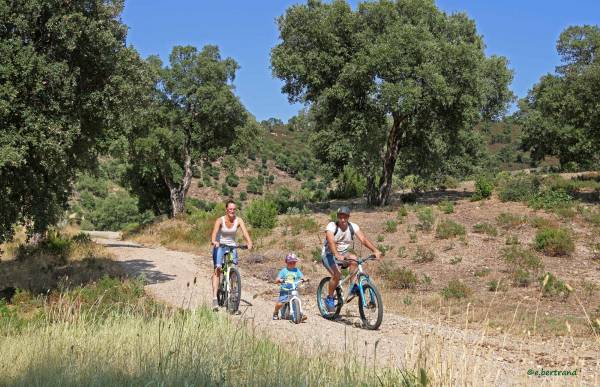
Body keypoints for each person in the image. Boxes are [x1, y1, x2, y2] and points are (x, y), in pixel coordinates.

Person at [321, 206, 381, 312]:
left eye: (345, 217)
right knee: (337, 274)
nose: (342, 219)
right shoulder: (332, 226)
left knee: (354, 259)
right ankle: (329, 298)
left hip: (343, 254)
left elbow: (363, 239)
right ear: (337, 217)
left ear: (348, 217)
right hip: (329, 254)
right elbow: (331, 241)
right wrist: (336, 254)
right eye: (340, 217)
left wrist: (375, 250)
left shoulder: (353, 226)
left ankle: (353, 287)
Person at [210, 199, 252, 311]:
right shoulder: (220, 220)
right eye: (230, 209)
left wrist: (249, 242)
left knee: (234, 270)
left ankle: (233, 297)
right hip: (220, 246)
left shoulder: (239, 220)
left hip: (232, 247)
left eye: (234, 209)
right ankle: (215, 298)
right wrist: (214, 241)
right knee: (218, 269)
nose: (232, 211)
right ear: (226, 209)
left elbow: (245, 232)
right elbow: (214, 233)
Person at [273, 253, 307, 321]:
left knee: (298, 300)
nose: (292, 264)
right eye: (290, 263)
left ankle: (300, 313)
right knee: (280, 304)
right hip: (285, 290)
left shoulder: (297, 270)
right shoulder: (283, 271)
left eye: (294, 263)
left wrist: (304, 278)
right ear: (286, 262)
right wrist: (279, 280)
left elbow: (302, 276)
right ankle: (276, 312)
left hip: (294, 289)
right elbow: (276, 280)